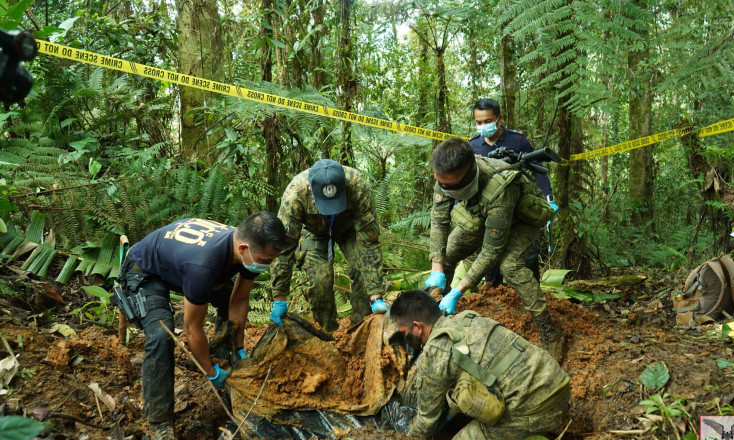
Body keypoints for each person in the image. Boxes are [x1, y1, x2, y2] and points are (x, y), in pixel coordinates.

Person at [112, 213, 291, 440]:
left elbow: (238, 300)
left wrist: (239, 348)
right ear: (243, 249)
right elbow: (191, 328)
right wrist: (208, 371)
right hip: (144, 270)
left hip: (181, 262)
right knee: (160, 334)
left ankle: (227, 362)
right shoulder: (204, 265)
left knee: (227, 301)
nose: (268, 265)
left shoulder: (246, 244)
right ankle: (160, 424)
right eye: (265, 261)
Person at [424, 137, 564, 362]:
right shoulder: (445, 175)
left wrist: (458, 290)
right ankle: (434, 318)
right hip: (481, 211)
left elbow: (491, 251)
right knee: (446, 255)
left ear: (468, 175)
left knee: (511, 266)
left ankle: (550, 331)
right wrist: (437, 267)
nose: (444, 188)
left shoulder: (499, 187)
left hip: (520, 218)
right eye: (441, 183)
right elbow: (439, 219)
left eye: (450, 186)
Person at [390, 290, 571, 439]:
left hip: (536, 410)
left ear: (417, 327)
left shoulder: (435, 351)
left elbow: (427, 421)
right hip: (559, 387)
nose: (405, 339)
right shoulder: (466, 318)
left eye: (404, 332)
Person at [270, 158, 389, 332]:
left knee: (363, 271)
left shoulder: (358, 186)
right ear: (310, 188)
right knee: (320, 281)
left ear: (345, 185)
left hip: (349, 229)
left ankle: (361, 330)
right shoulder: (295, 194)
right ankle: (327, 334)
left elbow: (368, 243)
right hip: (313, 231)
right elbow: (284, 247)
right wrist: (279, 297)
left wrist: (376, 296)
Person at [470, 98, 558, 283]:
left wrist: (549, 197)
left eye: (487, 121)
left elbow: (537, 167)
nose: (483, 125)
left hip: (519, 207)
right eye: (479, 122)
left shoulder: (517, 140)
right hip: (489, 210)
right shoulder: (473, 145)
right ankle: (494, 297)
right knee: (490, 257)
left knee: (528, 254)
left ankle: (530, 294)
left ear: (499, 118)